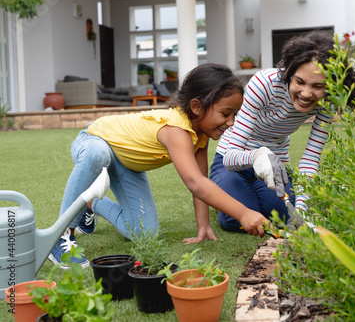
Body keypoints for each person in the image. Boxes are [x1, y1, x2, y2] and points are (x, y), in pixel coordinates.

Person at [49, 63, 269, 268]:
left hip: (127, 164)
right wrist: (242, 213)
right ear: (196, 108)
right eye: (225, 113)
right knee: (97, 154)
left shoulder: (200, 136)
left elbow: (202, 180)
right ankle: (61, 236)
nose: (231, 122)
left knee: (146, 235)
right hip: (96, 140)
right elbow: (195, 183)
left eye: (234, 114)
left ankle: (91, 204)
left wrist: (203, 227)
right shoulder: (176, 129)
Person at [210, 30, 355, 232]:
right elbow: (230, 156)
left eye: (318, 86)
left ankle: (236, 196)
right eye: (299, 82)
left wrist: (301, 211)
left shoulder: (328, 101)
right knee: (233, 220)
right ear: (289, 72)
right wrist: (259, 155)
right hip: (233, 161)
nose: (306, 93)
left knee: (282, 216)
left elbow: (310, 159)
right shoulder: (264, 84)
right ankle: (223, 193)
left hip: (275, 166)